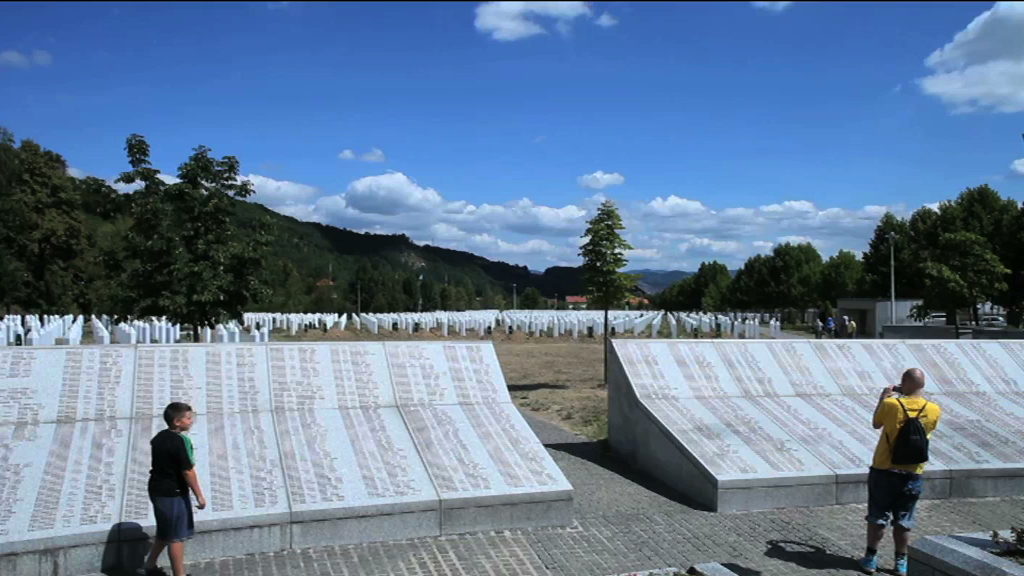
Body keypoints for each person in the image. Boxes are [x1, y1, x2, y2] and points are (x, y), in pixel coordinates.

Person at [859, 369, 941, 576]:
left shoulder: (891, 404)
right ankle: (901, 563)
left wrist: (883, 397)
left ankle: (870, 559)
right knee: (904, 521)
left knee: (877, 516)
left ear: (903, 383)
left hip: (884, 469)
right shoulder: (933, 409)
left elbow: (876, 423)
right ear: (923, 385)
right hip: (913, 472)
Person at [142, 402, 207, 576]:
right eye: (188, 418)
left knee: (165, 531)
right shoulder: (179, 442)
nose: (191, 421)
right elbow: (187, 471)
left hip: (157, 489)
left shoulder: (159, 437)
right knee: (176, 538)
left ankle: (149, 566)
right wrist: (199, 496)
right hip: (173, 493)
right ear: (177, 422)